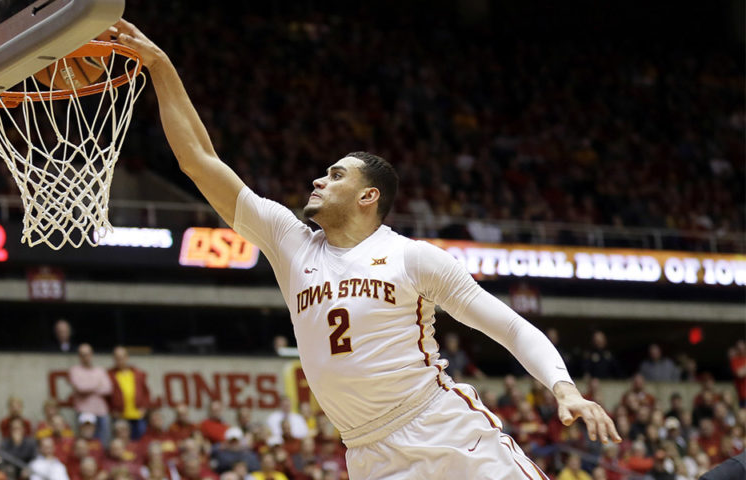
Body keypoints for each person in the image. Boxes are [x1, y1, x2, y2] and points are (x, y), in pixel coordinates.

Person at [110, 19, 620, 478]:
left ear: (367, 196)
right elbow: (199, 159)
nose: (317, 179)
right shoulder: (289, 243)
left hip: (443, 430)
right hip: (368, 453)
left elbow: (507, 325)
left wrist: (564, 387)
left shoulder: (414, 258)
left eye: (334, 175)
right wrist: (161, 64)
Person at [69, 344, 113, 446]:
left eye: (88, 354)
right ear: (79, 356)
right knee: (85, 443)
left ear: (92, 355)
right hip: (84, 411)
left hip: (101, 411)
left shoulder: (100, 370)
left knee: (103, 443)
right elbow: (80, 388)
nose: (86, 357)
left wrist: (88, 387)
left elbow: (108, 389)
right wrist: (97, 385)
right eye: (83, 355)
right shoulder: (75, 370)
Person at [108, 346, 150, 440]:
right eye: (117, 358)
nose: (120, 360)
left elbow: (146, 392)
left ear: (127, 358)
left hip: (137, 415)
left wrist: (144, 407)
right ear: (114, 359)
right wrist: (111, 410)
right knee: (120, 443)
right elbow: (106, 397)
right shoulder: (110, 374)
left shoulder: (137, 373)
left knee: (139, 443)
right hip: (120, 416)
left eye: (122, 357)